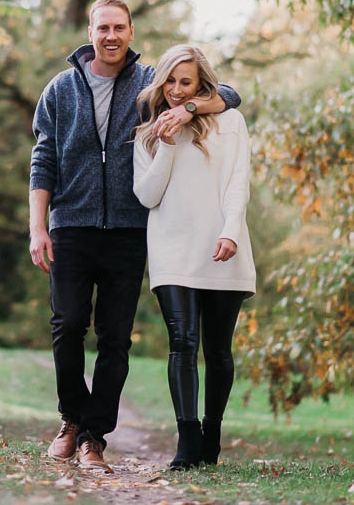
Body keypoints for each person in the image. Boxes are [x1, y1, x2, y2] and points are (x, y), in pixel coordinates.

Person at [29, 0, 241, 472]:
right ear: (90, 33)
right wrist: (37, 226)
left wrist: (188, 109)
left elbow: (228, 94)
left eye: (119, 28)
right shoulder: (60, 89)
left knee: (116, 338)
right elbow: (42, 159)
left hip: (129, 229)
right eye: (102, 28)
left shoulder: (149, 83)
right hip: (71, 224)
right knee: (67, 325)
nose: (111, 36)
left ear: (130, 32)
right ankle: (71, 419)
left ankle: (93, 438)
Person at [132, 44, 256, 470]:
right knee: (182, 343)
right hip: (171, 248)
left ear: (202, 84)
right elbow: (147, 196)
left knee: (218, 349)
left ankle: (212, 433)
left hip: (222, 244)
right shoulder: (148, 132)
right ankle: (187, 441)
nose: (176, 90)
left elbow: (238, 181)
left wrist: (231, 230)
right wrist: (166, 144)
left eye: (186, 82)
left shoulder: (230, 122)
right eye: (170, 81)